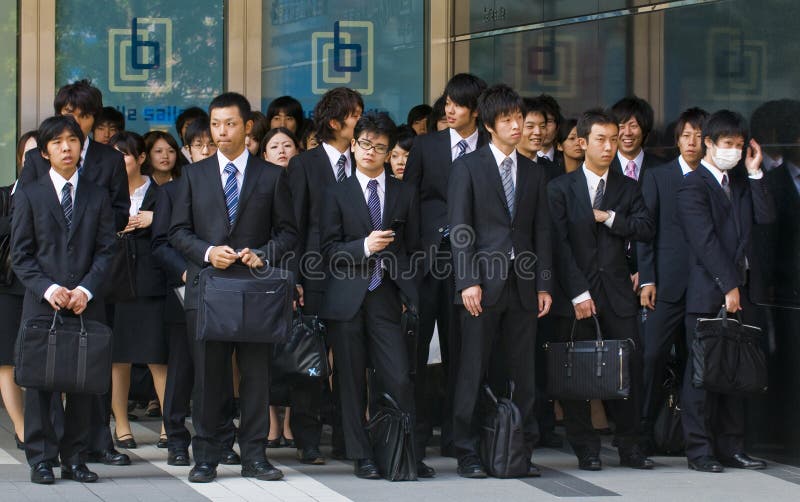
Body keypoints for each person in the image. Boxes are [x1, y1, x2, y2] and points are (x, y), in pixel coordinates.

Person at [169, 91, 297, 483]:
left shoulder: (272, 175)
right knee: (209, 377)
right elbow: (177, 232)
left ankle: (255, 455)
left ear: (247, 127)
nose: (220, 132)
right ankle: (206, 454)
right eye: (215, 124)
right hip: (209, 288)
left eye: (229, 124)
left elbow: (289, 232)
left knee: (257, 375)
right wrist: (208, 252)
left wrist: (264, 253)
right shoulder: (193, 174)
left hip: (255, 290)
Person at [19, 78, 131, 467]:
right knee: (41, 380)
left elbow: (111, 230)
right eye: (65, 122)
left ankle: (81, 454)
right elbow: (27, 231)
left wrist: (85, 287)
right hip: (44, 291)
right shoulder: (35, 165)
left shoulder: (107, 164)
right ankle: (42, 458)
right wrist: (50, 287)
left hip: (90, 288)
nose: (69, 140)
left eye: (81, 121)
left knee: (86, 376)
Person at [447, 84, 552, 479]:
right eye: (507, 119)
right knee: (473, 369)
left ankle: (520, 450)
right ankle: (467, 450)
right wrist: (467, 280)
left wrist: (544, 284)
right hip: (481, 287)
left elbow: (542, 232)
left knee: (524, 373)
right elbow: (460, 229)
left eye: (519, 118)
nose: (516, 125)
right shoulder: (467, 168)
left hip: (523, 286)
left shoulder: (533, 171)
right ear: (490, 124)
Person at [318, 111, 427, 479]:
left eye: (380, 148)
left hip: (386, 295)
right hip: (347, 298)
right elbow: (329, 250)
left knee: (398, 375)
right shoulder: (335, 193)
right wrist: (363, 247)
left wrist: (407, 292)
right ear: (353, 145)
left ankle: (403, 450)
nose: (371, 152)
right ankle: (361, 454)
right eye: (365, 144)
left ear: (388, 152)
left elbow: (414, 249)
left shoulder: (404, 193)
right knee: (349, 381)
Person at [546, 109, 655, 471]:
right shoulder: (561, 188)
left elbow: (644, 227)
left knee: (628, 371)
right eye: (601, 140)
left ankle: (630, 445)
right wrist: (578, 292)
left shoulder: (627, 186)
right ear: (582, 143)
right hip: (575, 296)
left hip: (619, 296)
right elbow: (558, 246)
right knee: (576, 376)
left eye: (613, 139)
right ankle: (586, 449)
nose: (609, 147)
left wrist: (609, 218)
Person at [676, 110, 774, 473]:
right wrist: (728, 285)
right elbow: (705, 242)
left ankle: (733, 447)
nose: (733, 151)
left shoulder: (742, 182)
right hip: (709, 292)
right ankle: (700, 451)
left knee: (736, 374)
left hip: (743, 293)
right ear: (709, 144)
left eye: (738, 145)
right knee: (702, 376)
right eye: (727, 145)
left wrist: (754, 170)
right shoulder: (692, 184)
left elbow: (765, 218)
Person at [403, 73, 487, 461]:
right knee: (418, 352)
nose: (449, 109)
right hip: (429, 261)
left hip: (470, 266)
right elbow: (411, 200)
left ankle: (457, 435)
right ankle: (417, 437)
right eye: (447, 102)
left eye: (458, 103)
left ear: (476, 109)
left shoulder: (488, 148)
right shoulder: (427, 146)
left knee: (461, 354)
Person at [287, 86, 364, 464]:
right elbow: (294, 226)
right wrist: (294, 278)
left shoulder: (364, 162)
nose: (361, 121)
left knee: (350, 362)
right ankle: (308, 439)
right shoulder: (305, 164)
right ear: (335, 122)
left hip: (357, 276)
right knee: (311, 360)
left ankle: (350, 440)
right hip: (315, 275)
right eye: (355, 114)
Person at [637, 107, 708, 441]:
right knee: (652, 356)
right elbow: (647, 232)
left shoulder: (713, 178)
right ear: (677, 139)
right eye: (686, 135)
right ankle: (643, 431)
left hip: (705, 287)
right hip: (666, 285)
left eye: (698, 135)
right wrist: (647, 279)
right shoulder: (658, 176)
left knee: (697, 363)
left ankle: (686, 436)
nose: (691, 142)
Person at [107, 131, 169, 450]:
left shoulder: (162, 193)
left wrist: (153, 219)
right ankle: (121, 424)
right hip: (115, 283)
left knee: (158, 357)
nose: (119, 162)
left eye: (125, 155)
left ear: (141, 158)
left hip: (151, 283)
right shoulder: (105, 194)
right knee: (119, 359)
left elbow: (180, 227)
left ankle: (168, 425)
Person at [0, 131, 38, 451]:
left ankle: (46, 423)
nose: (34, 161)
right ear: (19, 159)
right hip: (6, 287)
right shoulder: (3, 196)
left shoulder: (57, 196)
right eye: (29, 155)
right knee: (6, 361)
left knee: (45, 358)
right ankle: (22, 426)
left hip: (42, 288)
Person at [535, 94, 563, 168]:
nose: (544, 128)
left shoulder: (566, 160)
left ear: (557, 126)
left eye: (549, 121)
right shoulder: (518, 160)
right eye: (540, 122)